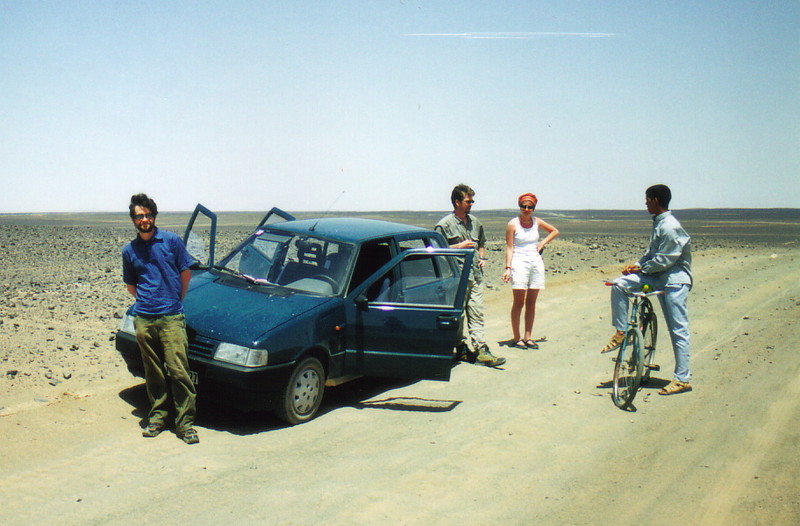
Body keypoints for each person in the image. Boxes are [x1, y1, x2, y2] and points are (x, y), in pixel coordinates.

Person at [122, 193, 200, 443]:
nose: (144, 219)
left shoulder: (172, 241)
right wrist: (146, 302)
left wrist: (176, 301)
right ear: (133, 220)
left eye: (147, 215)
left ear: (154, 216)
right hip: (144, 318)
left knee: (179, 371)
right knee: (153, 372)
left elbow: (185, 274)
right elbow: (131, 286)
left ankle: (185, 423)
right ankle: (157, 417)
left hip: (171, 317)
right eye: (139, 216)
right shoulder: (129, 250)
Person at [602, 184, 693, 395]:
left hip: (674, 281)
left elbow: (666, 259)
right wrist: (636, 264)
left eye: (647, 199)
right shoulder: (659, 223)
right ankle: (622, 331)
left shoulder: (670, 226)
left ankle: (682, 379)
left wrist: (642, 267)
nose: (645, 203)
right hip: (656, 276)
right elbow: (651, 254)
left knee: (678, 329)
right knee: (619, 285)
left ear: (654, 200)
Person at [435, 184, 506, 368]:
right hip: (456, 278)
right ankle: (460, 347)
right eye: (468, 201)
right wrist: (458, 247)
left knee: (476, 312)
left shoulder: (475, 222)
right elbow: (435, 251)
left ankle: (481, 349)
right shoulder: (444, 225)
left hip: (475, 275)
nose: (471, 204)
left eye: (472, 201)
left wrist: (482, 257)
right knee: (458, 316)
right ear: (457, 202)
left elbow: (481, 243)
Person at [501, 193, 559, 349]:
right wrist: (508, 268)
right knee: (519, 301)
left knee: (531, 302)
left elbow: (554, 231)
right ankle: (516, 337)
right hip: (519, 263)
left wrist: (542, 244)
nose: (526, 209)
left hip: (535, 262)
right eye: (523, 206)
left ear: (534, 208)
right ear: (519, 207)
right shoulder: (513, 224)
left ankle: (528, 337)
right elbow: (509, 247)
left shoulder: (536, 222)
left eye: (530, 207)